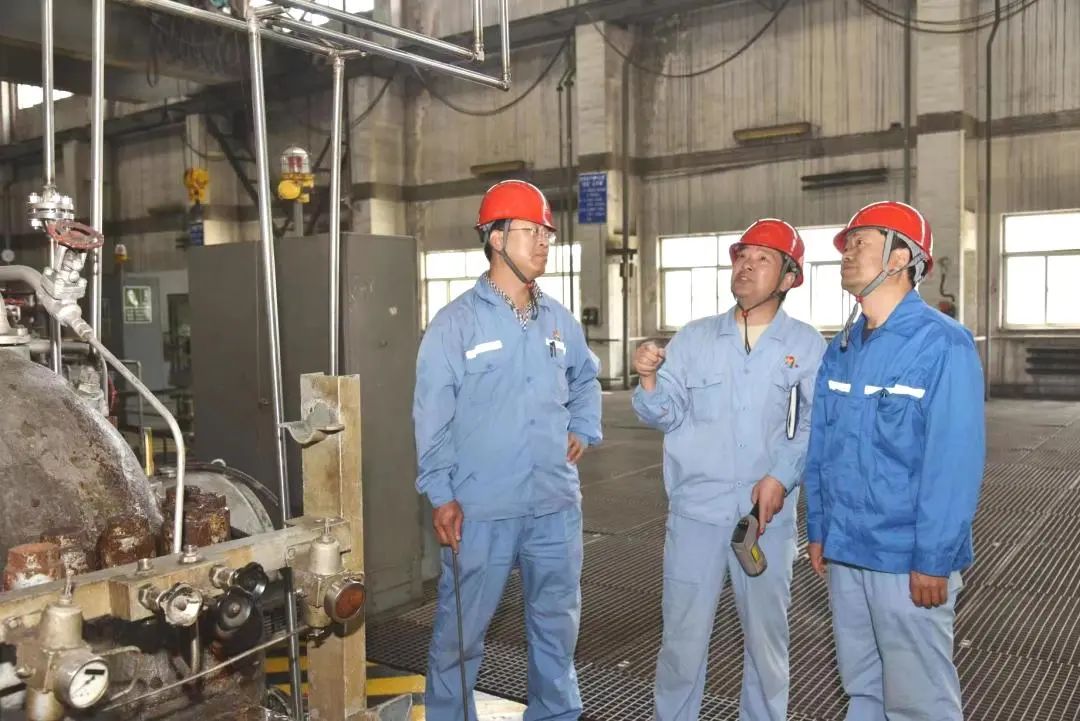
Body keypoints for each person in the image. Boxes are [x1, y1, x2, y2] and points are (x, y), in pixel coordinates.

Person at [412, 179, 602, 721]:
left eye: (547, 233)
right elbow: (431, 416)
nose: (544, 241)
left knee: (556, 629)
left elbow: (586, 379)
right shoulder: (456, 324)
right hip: (481, 509)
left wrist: (583, 425)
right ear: (496, 239)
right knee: (460, 635)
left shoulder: (558, 319)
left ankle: (555, 715)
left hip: (554, 506)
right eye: (531, 231)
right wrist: (441, 494)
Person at [633, 219, 826, 721]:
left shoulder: (806, 345)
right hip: (695, 513)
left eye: (763, 259)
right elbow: (664, 414)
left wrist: (781, 475)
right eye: (742, 256)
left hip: (765, 521)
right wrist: (649, 380)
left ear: (789, 278)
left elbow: (814, 424)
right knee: (681, 642)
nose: (746, 266)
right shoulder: (694, 339)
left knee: (766, 645)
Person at [803, 201, 985, 721]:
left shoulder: (943, 344)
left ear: (901, 257)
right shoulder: (842, 347)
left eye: (860, 242)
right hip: (847, 551)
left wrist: (933, 558)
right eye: (847, 244)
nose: (846, 252)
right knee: (863, 689)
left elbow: (953, 462)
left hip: (906, 559)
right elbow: (823, 447)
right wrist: (819, 528)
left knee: (919, 702)